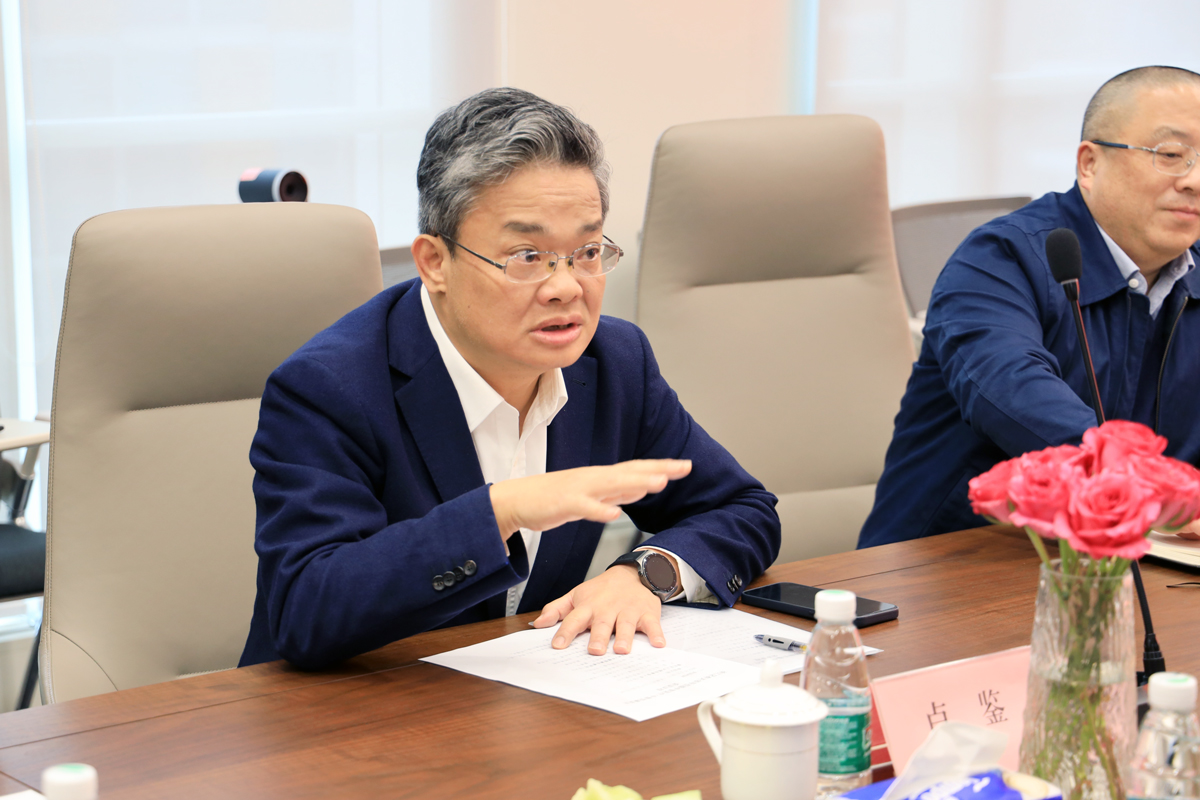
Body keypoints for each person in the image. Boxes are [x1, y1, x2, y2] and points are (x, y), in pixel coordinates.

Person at [240, 88, 780, 670]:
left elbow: (742, 509)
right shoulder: (330, 388)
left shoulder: (614, 361)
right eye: (527, 256)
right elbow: (306, 608)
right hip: (352, 708)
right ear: (435, 262)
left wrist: (645, 573)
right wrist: (501, 511)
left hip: (530, 691)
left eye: (587, 251)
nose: (566, 287)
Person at [860, 65, 1200, 548]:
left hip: (1147, 562)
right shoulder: (1001, 258)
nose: (1194, 181)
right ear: (1090, 163)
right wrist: (1169, 494)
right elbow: (1016, 395)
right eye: (1171, 155)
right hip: (954, 566)